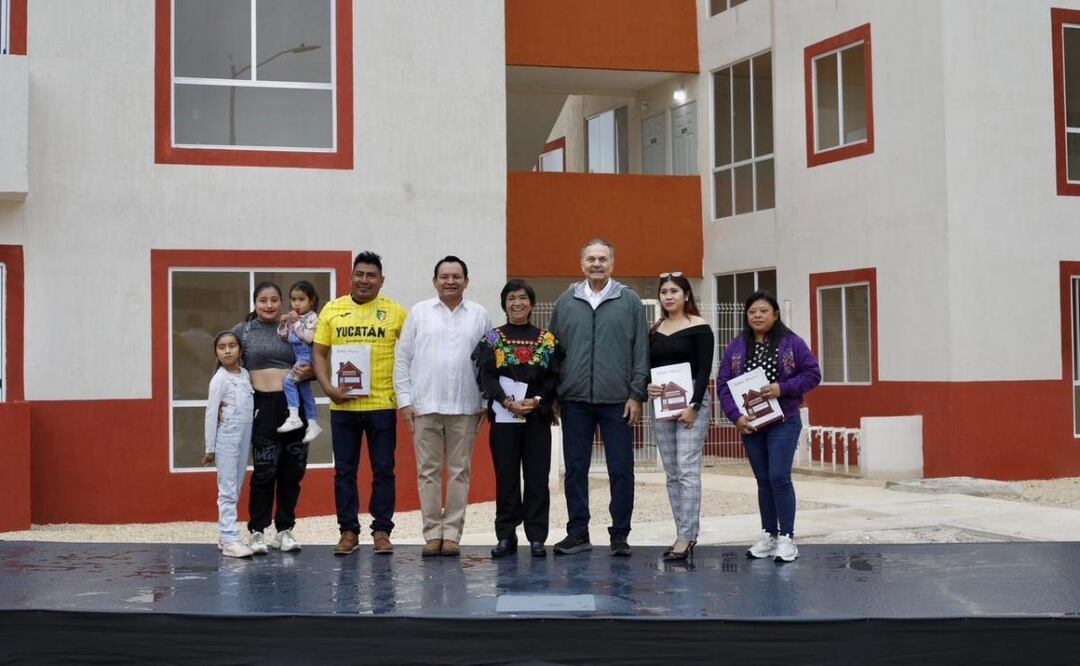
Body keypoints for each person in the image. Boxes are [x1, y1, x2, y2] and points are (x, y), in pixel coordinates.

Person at [548, 239, 648, 557]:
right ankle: (578, 533)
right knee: (575, 469)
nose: (596, 264)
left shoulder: (629, 301)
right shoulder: (565, 302)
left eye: (602, 259)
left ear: (612, 264)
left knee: (621, 470)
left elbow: (640, 352)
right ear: (581, 264)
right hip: (574, 400)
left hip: (617, 401)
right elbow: (553, 351)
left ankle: (620, 534)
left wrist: (636, 394)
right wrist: (554, 393)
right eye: (590, 259)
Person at [395, 256, 492, 558]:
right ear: (435, 281)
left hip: (466, 406)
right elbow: (403, 358)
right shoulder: (419, 313)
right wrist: (405, 400)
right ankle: (431, 534)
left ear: (466, 280)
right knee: (428, 472)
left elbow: (491, 361)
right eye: (444, 276)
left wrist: (486, 401)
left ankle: (451, 534)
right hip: (425, 405)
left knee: (460, 471)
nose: (450, 281)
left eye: (456, 276)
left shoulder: (480, 315)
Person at [313, 252, 407, 556]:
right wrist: (328, 388)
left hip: (381, 405)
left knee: (383, 470)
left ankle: (382, 530)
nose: (364, 280)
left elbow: (408, 357)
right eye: (359, 274)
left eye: (371, 275)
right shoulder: (332, 309)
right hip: (343, 408)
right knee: (344, 471)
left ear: (381, 281)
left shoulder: (396, 313)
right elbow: (319, 353)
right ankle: (348, 532)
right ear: (350, 276)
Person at [717, 290, 821, 563]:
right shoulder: (736, 347)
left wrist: (781, 388)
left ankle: (787, 537)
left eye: (763, 311)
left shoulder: (792, 343)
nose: (757, 316)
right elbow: (723, 385)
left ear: (775, 314)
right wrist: (735, 417)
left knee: (779, 476)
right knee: (763, 480)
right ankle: (768, 534)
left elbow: (813, 374)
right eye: (752, 312)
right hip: (752, 424)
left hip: (784, 421)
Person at [473, 279, 564, 558]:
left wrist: (537, 401)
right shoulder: (492, 338)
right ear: (504, 304)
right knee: (506, 477)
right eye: (511, 298)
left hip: (537, 417)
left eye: (523, 298)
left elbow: (554, 377)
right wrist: (506, 401)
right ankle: (506, 535)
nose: (517, 303)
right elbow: (485, 375)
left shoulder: (547, 340)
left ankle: (537, 537)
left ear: (532, 303)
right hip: (503, 417)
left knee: (537, 478)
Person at [232, 282, 313, 554]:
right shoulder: (243, 332)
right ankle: (257, 531)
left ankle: (285, 530)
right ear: (255, 303)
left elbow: (316, 358)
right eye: (263, 300)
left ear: (283, 302)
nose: (269, 305)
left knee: (293, 472)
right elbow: (224, 362)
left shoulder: (294, 327)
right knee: (264, 472)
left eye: (274, 300)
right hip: (262, 407)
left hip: (294, 407)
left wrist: (310, 373)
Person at [645, 272, 714, 562]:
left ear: (686, 295)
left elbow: (703, 370)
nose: (669, 296)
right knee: (672, 473)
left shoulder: (699, 327)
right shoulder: (655, 329)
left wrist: (694, 406)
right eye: (664, 292)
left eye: (675, 290)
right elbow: (650, 367)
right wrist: (648, 385)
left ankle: (687, 537)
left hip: (691, 407)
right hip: (662, 406)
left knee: (687, 470)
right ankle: (680, 533)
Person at [202, 330, 255, 559]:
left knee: (237, 485)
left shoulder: (244, 374)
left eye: (231, 345)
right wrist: (210, 447)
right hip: (227, 437)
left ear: (240, 349)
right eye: (221, 347)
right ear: (216, 353)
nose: (227, 350)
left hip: (244, 436)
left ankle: (226, 536)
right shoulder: (219, 378)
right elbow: (211, 412)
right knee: (227, 488)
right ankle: (230, 537)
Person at [277, 280, 323, 444]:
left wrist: (296, 322)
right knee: (305, 392)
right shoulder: (292, 318)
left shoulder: (313, 318)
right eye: (294, 299)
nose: (296, 303)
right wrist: (283, 324)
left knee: (288, 382)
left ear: (311, 301)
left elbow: (309, 337)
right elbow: (284, 337)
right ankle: (312, 424)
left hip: (306, 356)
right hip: (297, 357)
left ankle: (294, 416)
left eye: (301, 299)